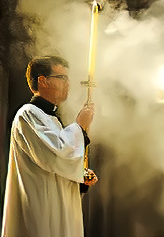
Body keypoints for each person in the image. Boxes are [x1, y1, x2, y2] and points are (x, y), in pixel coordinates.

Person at [1, 55, 98, 237]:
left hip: (54, 212)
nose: (68, 83)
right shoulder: (28, 115)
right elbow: (55, 156)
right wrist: (80, 126)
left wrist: (79, 179)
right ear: (42, 81)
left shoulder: (51, 119)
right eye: (62, 78)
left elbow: (57, 166)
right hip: (39, 213)